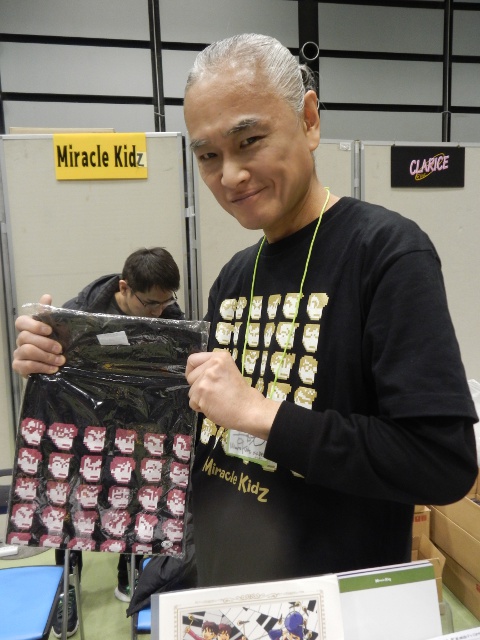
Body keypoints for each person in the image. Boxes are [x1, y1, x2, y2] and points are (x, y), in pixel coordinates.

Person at [13, 33, 478, 594]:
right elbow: (189, 434)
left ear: (309, 120)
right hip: (224, 592)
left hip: (329, 604)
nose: (229, 175)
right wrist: (67, 371)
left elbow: (441, 463)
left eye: (249, 141)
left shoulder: (385, 254)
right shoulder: (235, 276)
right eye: (208, 156)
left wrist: (263, 415)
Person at [13, 246, 184, 637]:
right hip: (80, 427)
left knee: (136, 500)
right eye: (150, 303)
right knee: (70, 506)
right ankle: (67, 586)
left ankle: (129, 572)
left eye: (166, 302)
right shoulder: (78, 315)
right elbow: (49, 378)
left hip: (138, 427)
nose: (159, 311)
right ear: (124, 288)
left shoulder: (172, 320)